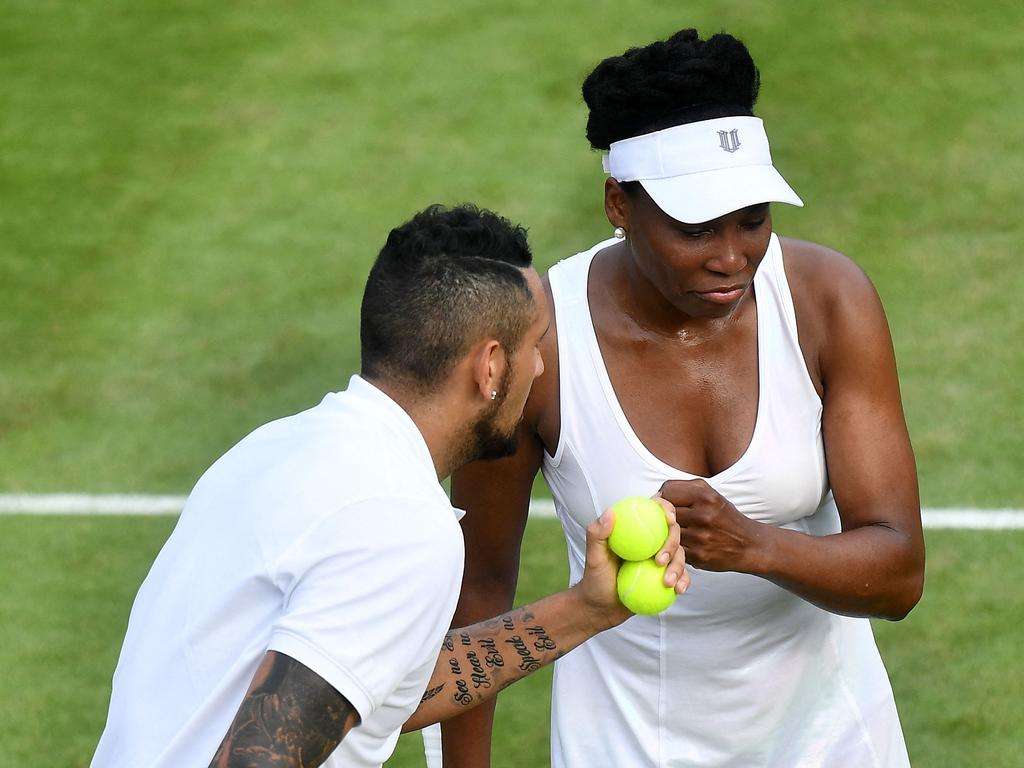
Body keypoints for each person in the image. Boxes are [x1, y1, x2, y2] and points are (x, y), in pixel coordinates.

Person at [442, 29, 925, 767]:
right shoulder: (540, 342)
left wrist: (753, 545)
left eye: (754, 219)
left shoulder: (830, 301)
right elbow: (479, 589)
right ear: (619, 203)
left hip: (833, 740)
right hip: (625, 745)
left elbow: (898, 574)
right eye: (696, 228)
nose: (732, 258)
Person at [90, 204, 688, 768]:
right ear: (489, 367)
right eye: (535, 346)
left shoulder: (275, 449)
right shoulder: (400, 525)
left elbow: (367, 689)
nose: (539, 368)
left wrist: (586, 608)